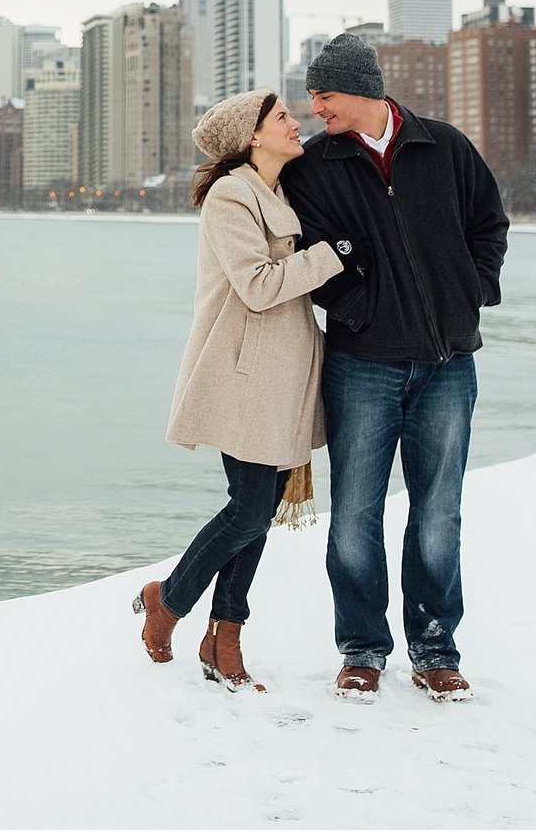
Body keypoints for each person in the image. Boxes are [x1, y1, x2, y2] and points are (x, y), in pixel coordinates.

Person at [279, 30, 508, 703]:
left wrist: (474, 289)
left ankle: (436, 648)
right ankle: (361, 649)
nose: (316, 107)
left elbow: (487, 225)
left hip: (448, 367)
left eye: (324, 95)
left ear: (360, 90)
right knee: (354, 514)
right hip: (362, 365)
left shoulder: (445, 147)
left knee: (439, 514)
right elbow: (312, 261)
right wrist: (359, 308)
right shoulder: (313, 168)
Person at [135, 90, 343, 693]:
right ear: (252, 136)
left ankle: (223, 635)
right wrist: (332, 256)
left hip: (284, 380)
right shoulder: (231, 196)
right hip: (244, 375)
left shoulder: (278, 191)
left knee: (257, 515)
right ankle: (167, 601)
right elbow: (255, 286)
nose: (295, 123)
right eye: (282, 118)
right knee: (250, 509)